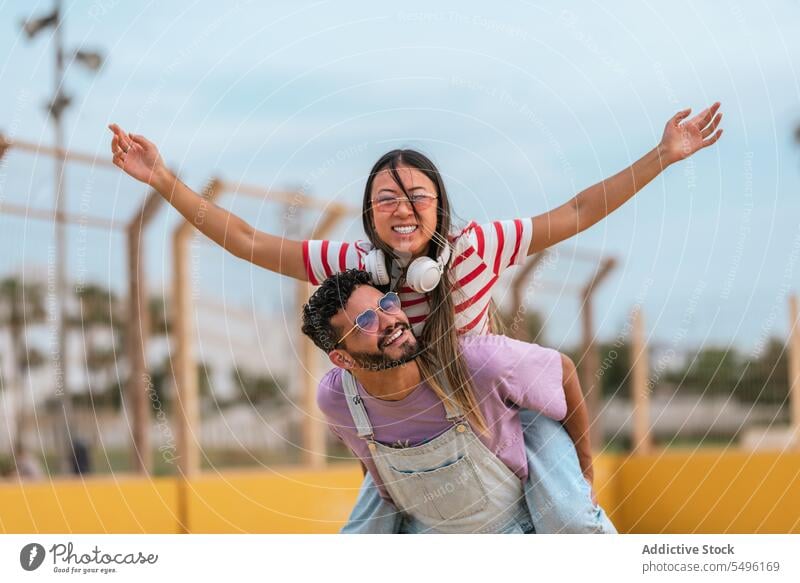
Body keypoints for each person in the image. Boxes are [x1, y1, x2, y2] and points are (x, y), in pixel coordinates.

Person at [107, 101, 722, 525]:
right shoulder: (353, 264)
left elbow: (578, 211)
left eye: (417, 195)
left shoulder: (479, 247)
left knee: (570, 519)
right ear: (370, 215)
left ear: (439, 207)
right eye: (385, 199)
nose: (402, 208)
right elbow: (248, 240)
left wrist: (661, 155)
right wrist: (163, 179)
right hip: (412, 435)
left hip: (498, 410)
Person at [302, 268, 615, 533]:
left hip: (518, 525)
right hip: (433, 532)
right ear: (342, 358)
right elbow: (367, 457)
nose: (390, 321)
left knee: (575, 526)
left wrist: (585, 473)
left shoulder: (478, 364)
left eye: (387, 303)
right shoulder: (338, 400)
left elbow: (562, 370)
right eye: (367, 321)